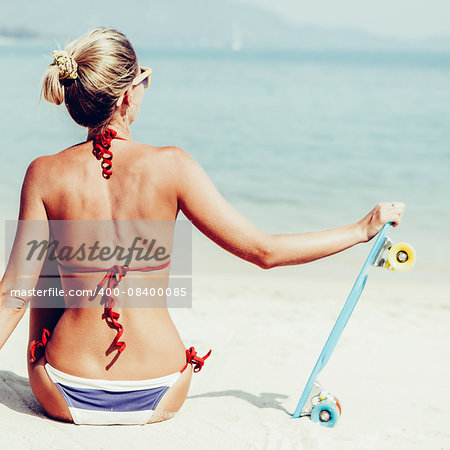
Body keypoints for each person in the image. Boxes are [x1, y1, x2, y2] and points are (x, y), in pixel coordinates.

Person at [0, 27, 404, 425]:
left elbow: (11, 299)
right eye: (144, 79)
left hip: (65, 391)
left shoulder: (44, 173)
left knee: (46, 260)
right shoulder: (172, 165)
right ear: (126, 95)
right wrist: (360, 229)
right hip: (159, 389)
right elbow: (264, 252)